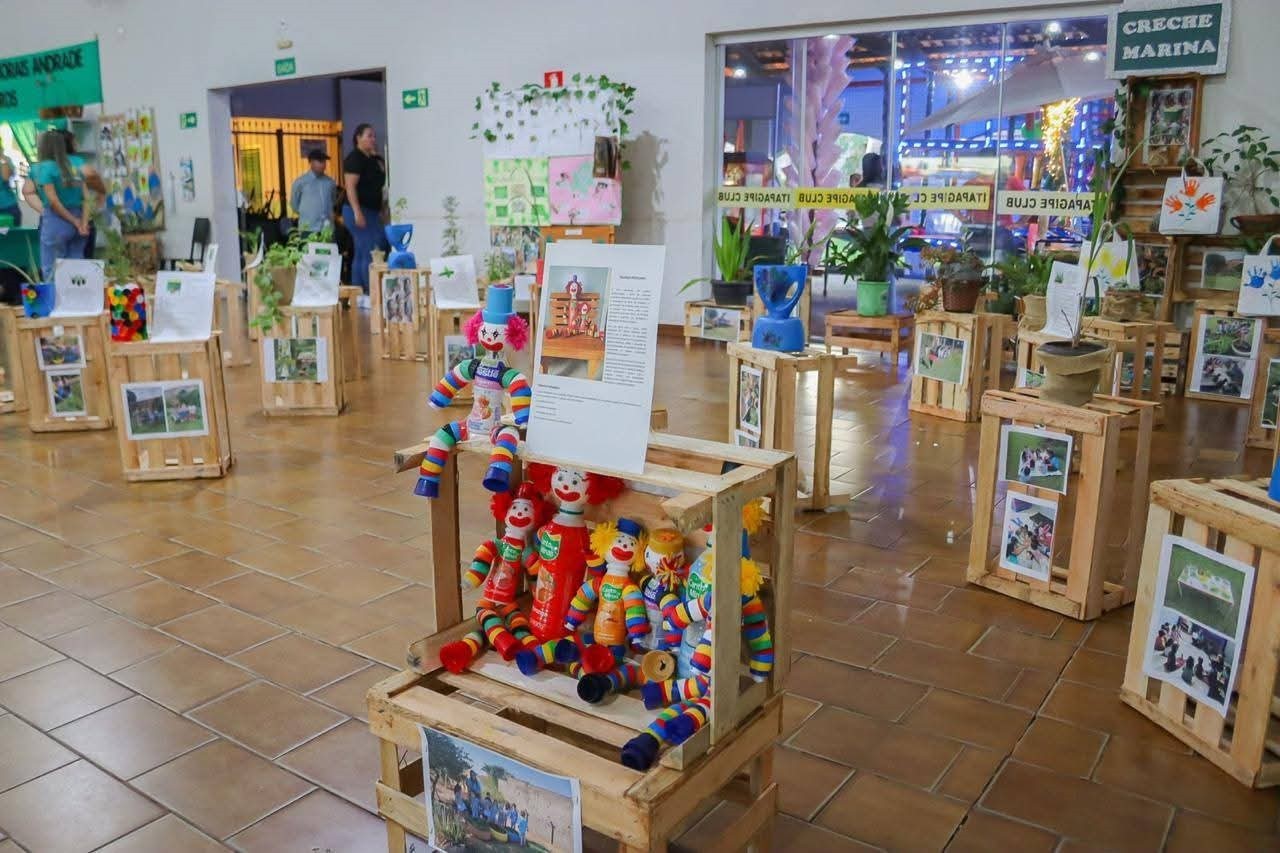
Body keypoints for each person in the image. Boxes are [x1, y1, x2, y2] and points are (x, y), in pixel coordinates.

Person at [22, 130, 104, 279]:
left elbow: (51, 201)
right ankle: (78, 294)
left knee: (52, 270)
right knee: (77, 268)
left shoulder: (42, 167)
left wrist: (44, 210)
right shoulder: (76, 164)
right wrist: (83, 222)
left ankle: (56, 295)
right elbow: (86, 196)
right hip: (79, 218)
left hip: (56, 220)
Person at [342, 123, 387, 293]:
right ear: (358, 138)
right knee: (370, 249)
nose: (373, 139)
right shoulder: (355, 158)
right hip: (358, 210)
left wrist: (376, 157)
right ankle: (369, 290)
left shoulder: (372, 159)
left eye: (374, 136)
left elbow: (379, 181)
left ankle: (359, 290)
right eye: (369, 136)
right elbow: (350, 187)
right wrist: (357, 212)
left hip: (372, 211)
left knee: (363, 250)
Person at [290, 149, 336, 234]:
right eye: (320, 161)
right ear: (311, 162)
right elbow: (294, 204)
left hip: (327, 229)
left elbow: (332, 201)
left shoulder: (330, 182)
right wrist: (308, 214)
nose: (323, 164)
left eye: (324, 161)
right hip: (308, 229)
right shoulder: (300, 182)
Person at [0, 151, 19, 226]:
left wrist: (2, 158)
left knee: (10, 232)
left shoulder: (5, 160)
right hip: (7, 205)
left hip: (7, 206)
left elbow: (6, 177)